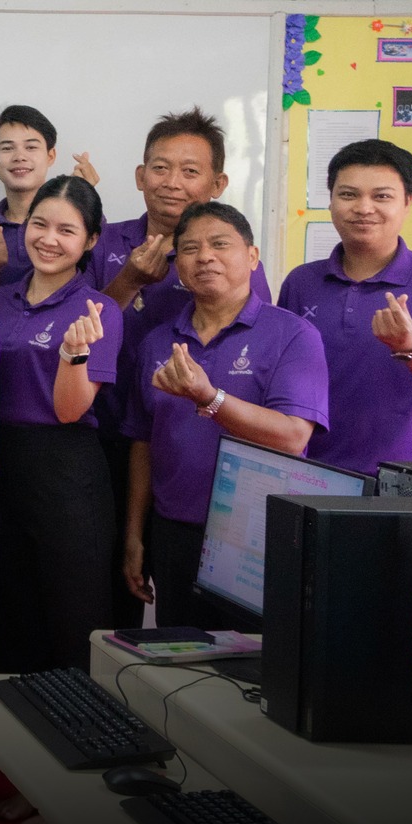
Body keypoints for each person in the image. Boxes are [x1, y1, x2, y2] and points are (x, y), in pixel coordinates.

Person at [90, 107, 272, 628]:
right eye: (160, 167)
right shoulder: (102, 240)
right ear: (140, 175)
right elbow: (76, 327)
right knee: (107, 585)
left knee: (192, 598)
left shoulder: (228, 255)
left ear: (217, 183)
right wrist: (128, 282)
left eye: (190, 171)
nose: (172, 183)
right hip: (101, 433)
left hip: (185, 447)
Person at [122, 203, 327, 628]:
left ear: (252, 257)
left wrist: (210, 397)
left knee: (255, 677)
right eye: (190, 248)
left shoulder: (292, 334)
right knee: (181, 671)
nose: (205, 257)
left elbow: (292, 436)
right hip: (175, 532)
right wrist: (135, 534)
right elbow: (143, 442)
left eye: (220, 245)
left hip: (260, 538)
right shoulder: (159, 341)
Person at [0, 177, 122, 681]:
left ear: (89, 240)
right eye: (39, 224)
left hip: (67, 473)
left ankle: (86, 733)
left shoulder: (98, 310)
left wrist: (72, 355)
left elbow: (71, 410)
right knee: (13, 616)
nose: (48, 238)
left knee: (73, 617)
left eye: (67, 229)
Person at [278, 140, 412, 475]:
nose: (363, 207)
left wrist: (410, 348)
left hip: (402, 479)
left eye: (381, 196)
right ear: (331, 201)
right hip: (310, 473)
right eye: (349, 194)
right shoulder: (301, 283)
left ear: (408, 203)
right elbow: (281, 382)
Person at [0, 105, 99, 293]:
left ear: (50, 155)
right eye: (7, 148)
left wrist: (81, 200)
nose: (20, 156)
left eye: (31, 147)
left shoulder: (84, 226)